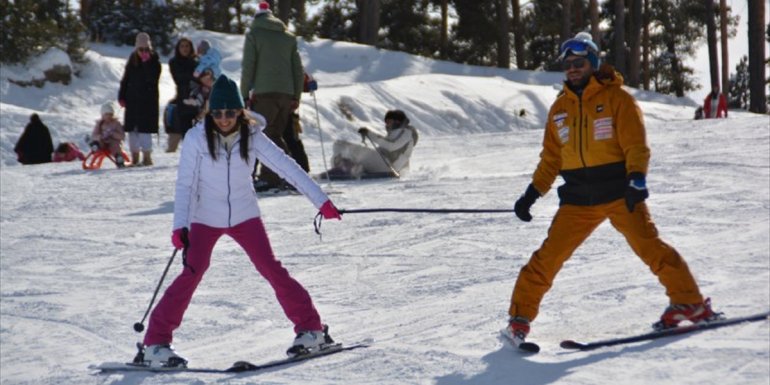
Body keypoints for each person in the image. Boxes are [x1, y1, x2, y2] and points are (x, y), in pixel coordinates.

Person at [504, 32, 721, 346]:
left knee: (651, 249)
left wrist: (637, 179)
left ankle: (689, 304)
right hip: (578, 199)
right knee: (545, 260)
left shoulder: (617, 99)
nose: (573, 69)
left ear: (592, 63)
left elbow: (635, 145)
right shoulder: (559, 109)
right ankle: (519, 320)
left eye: (579, 63)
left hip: (620, 193)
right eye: (568, 64)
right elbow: (552, 158)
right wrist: (532, 193)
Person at [138, 75, 342, 368]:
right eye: (218, 113)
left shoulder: (253, 136)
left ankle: (311, 330)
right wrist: (179, 225)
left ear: (240, 111)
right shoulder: (196, 139)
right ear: (210, 112)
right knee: (192, 272)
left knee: (271, 268)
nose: (224, 119)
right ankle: (155, 343)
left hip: (245, 215)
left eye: (230, 112)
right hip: (205, 218)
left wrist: (321, 201)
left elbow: (287, 168)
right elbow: (186, 186)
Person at [241, 1, 304, 191]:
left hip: (264, 94)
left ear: (256, 18)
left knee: (265, 137)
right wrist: (296, 96)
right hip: (286, 95)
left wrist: (243, 94)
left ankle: (283, 176)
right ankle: (280, 176)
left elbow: (248, 67)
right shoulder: (288, 37)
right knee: (274, 134)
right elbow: (298, 70)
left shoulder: (254, 35)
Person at [320, 110, 418, 180]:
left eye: (389, 122)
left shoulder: (406, 132)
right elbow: (386, 148)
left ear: (397, 121)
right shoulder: (395, 133)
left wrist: (370, 134)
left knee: (348, 148)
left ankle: (345, 168)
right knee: (340, 144)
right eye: (386, 122)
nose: (387, 125)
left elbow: (391, 147)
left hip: (389, 167)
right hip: (384, 164)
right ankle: (346, 166)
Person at [118, 32, 161, 166]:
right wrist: (122, 95)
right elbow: (125, 79)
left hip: (147, 101)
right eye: (140, 49)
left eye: (146, 49)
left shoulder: (155, 61)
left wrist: (147, 63)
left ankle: (147, 157)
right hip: (132, 100)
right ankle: (135, 157)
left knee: (144, 131)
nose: (143, 52)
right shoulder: (132, 61)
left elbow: (153, 79)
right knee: (132, 131)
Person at [167, 37, 199, 152]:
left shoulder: (197, 62)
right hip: (182, 98)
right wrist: (193, 76)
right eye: (182, 46)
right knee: (185, 128)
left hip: (197, 98)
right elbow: (179, 79)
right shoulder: (174, 62)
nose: (185, 49)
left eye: (187, 46)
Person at [89, 102, 126, 168]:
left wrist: (113, 134)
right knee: (98, 141)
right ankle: (95, 147)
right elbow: (94, 135)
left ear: (113, 114)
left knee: (116, 145)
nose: (108, 116)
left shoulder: (116, 123)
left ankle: (119, 159)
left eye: (110, 114)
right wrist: (99, 137)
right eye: (106, 114)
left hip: (113, 142)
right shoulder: (99, 124)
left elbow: (122, 136)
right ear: (102, 115)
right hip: (103, 141)